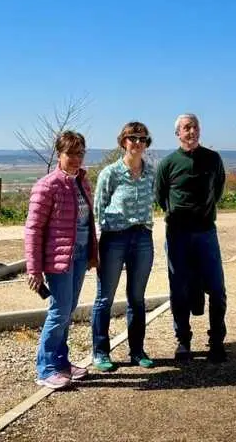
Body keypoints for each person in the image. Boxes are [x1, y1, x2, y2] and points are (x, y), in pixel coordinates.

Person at [24, 130, 98, 389]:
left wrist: (92, 254)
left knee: (67, 310)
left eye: (80, 153)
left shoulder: (83, 182)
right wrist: (34, 269)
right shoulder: (46, 186)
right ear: (59, 154)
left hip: (79, 256)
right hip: (58, 259)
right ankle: (45, 369)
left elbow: (88, 222)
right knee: (59, 311)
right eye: (71, 153)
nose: (76, 158)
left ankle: (61, 362)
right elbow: (33, 229)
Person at [155, 113, 228, 363]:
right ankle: (183, 340)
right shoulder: (168, 163)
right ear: (178, 133)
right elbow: (160, 195)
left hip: (206, 233)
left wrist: (202, 212)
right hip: (177, 235)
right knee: (179, 289)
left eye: (195, 127)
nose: (192, 131)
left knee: (217, 289)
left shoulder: (213, 159)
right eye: (186, 128)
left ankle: (216, 341)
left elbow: (217, 189)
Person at [91, 122, 157, 372]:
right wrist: (96, 244)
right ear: (123, 142)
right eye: (132, 138)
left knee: (137, 298)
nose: (137, 143)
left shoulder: (151, 173)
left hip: (142, 237)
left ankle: (137, 351)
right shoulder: (110, 173)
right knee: (105, 298)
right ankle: (100, 352)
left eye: (142, 138)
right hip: (114, 239)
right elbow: (98, 208)